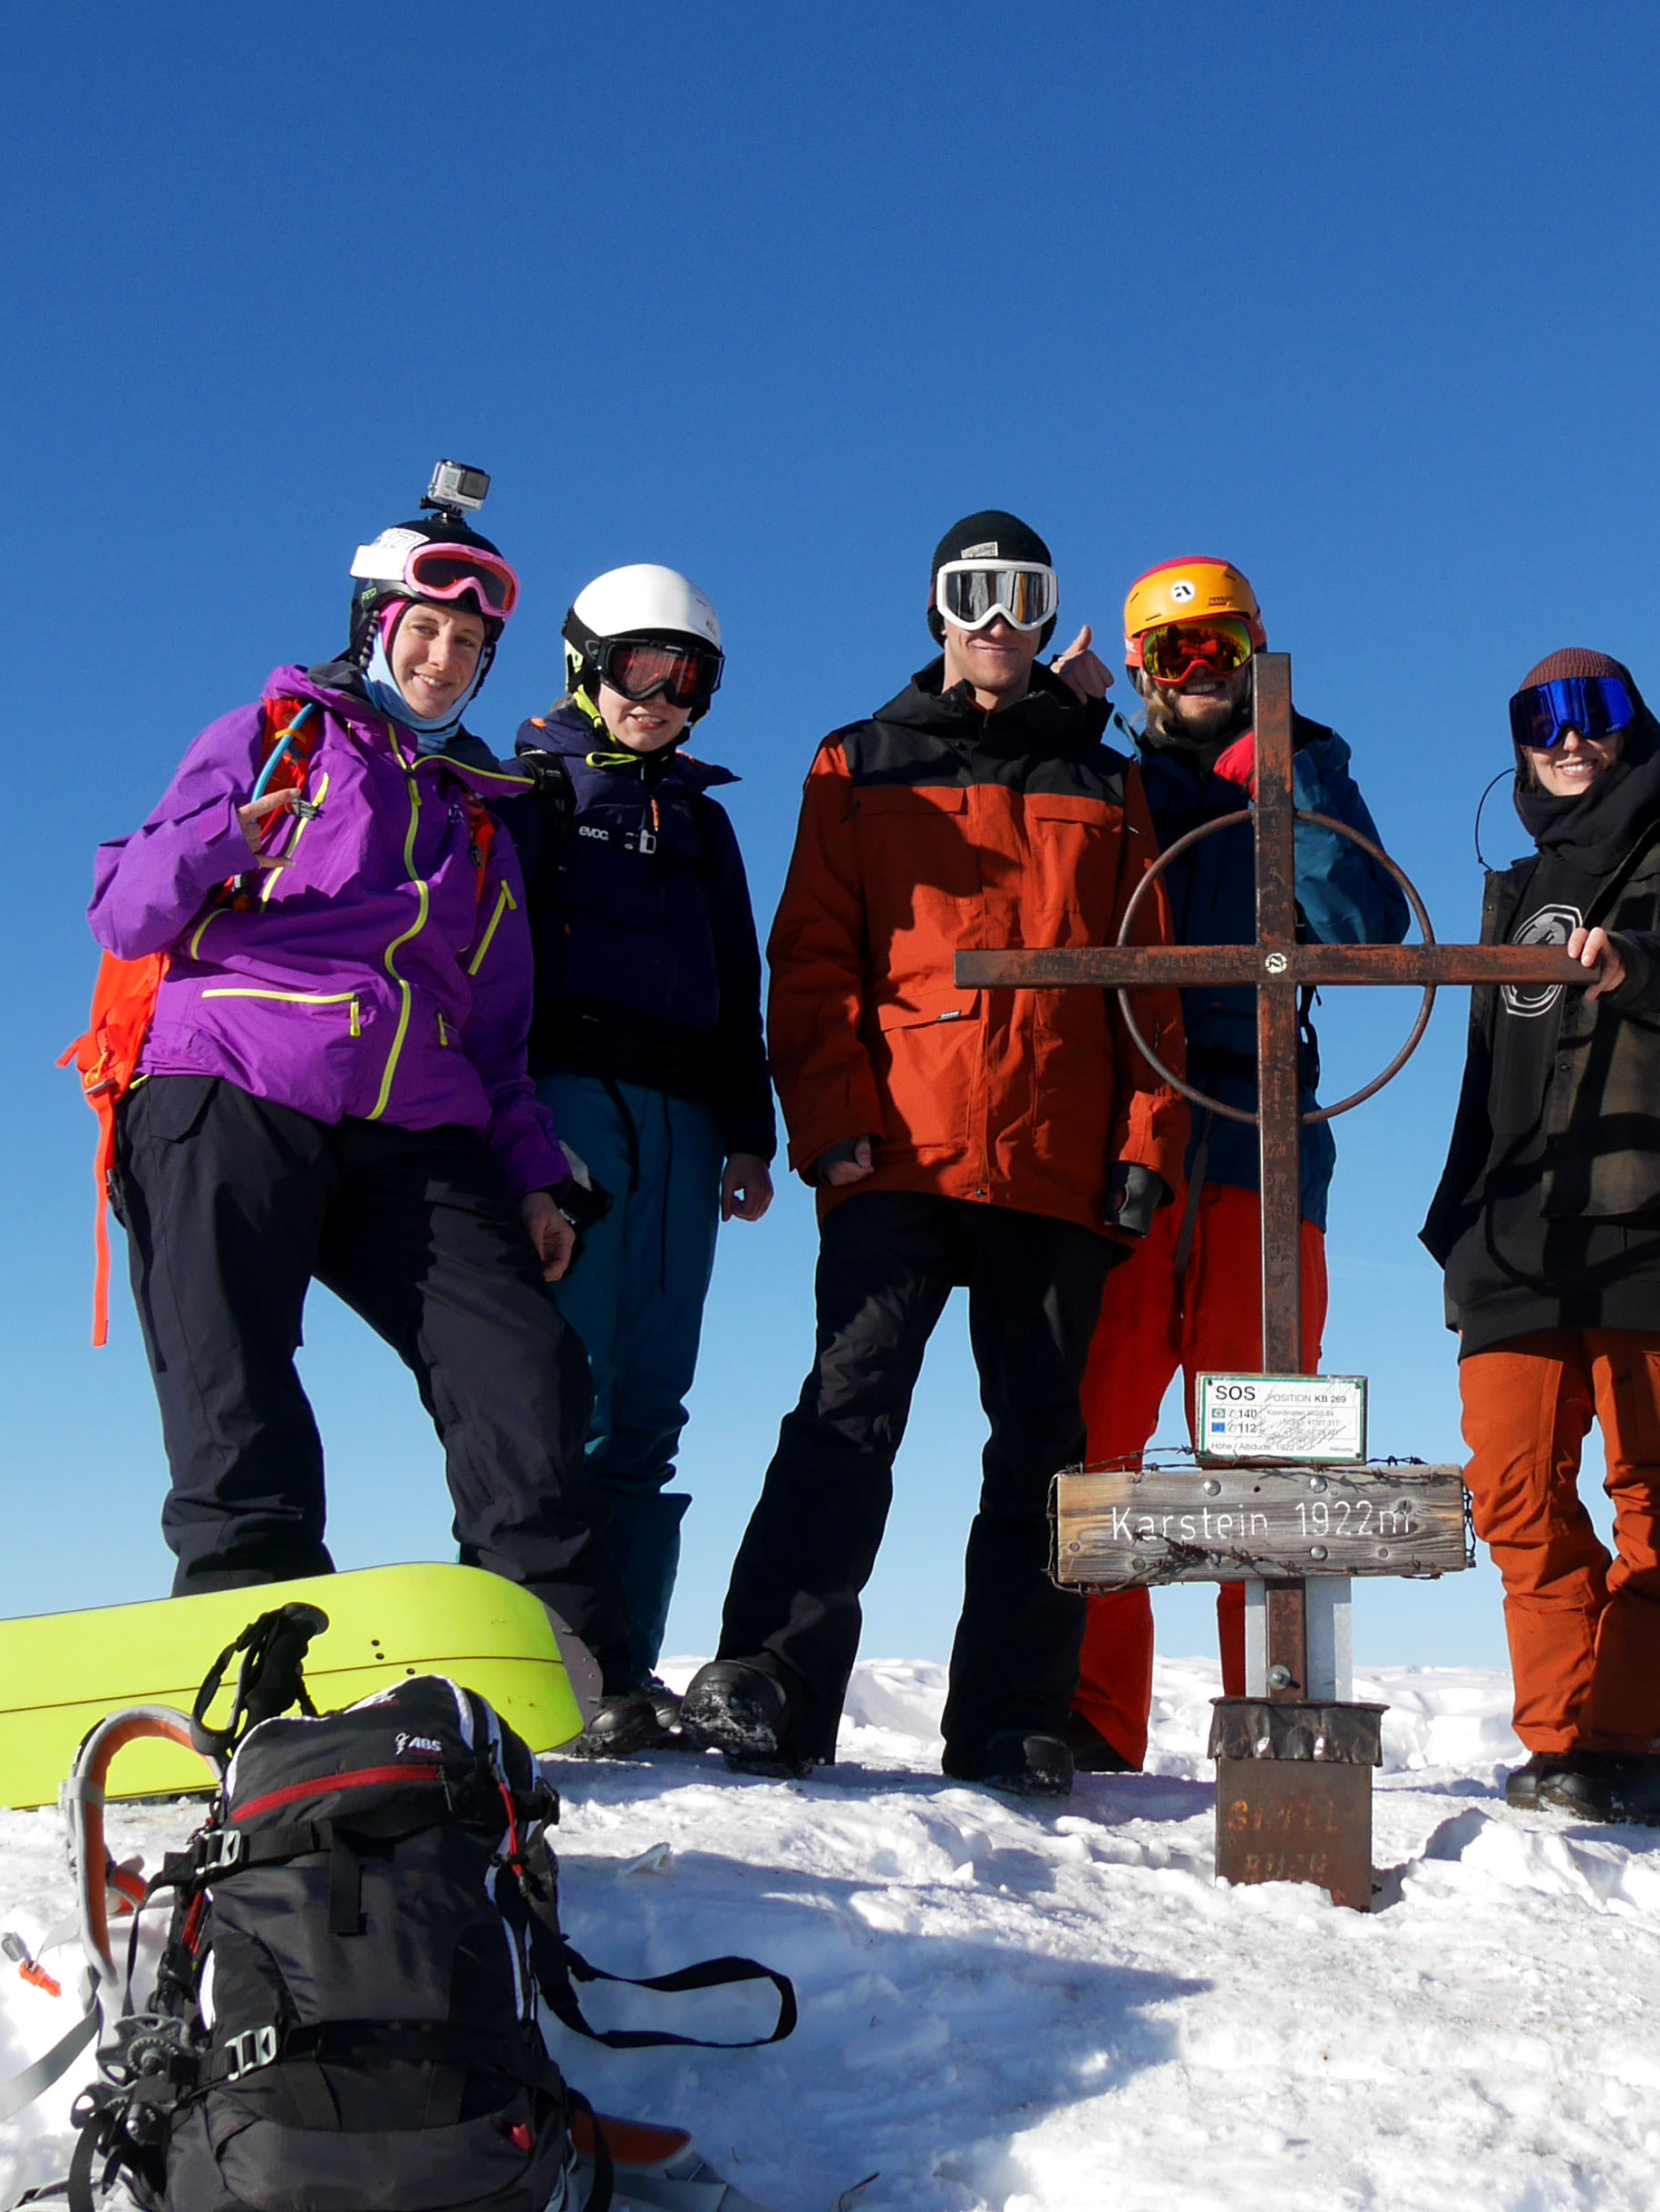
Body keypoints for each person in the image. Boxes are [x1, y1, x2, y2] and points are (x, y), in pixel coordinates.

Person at [85, 469, 622, 1715]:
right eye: (423, 631)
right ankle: (253, 1637)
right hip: (230, 1081)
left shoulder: (480, 821)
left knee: (528, 1369)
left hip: (409, 1126)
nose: (442, 659)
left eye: (469, 645)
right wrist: (230, 835)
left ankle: (544, 1656)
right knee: (234, 1372)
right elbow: (127, 909)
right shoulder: (270, 738)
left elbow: (497, 1039)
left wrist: (536, 1178)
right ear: (376, 627)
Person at [681, 512, 1190, 1791]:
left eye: (1024, 595)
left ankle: (1013, 1719)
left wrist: (1144, 1139)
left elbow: (1148, 979)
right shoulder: (862, 764)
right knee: (846, 1413)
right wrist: (834, 1124)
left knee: (1045, 1446)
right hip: (897, 1154)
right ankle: (774, 1686)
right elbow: (811, 961)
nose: (1000, 621)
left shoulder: (1103, 780)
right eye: (975, 594)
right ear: (936, 612)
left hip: (1057, 1162)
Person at [1064, 558, 1410, 1771]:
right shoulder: (1108, 782)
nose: (1194, 672)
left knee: (1267, 1440)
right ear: (1143, 673)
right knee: (1096, 1428)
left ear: (1256, 648)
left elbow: (1367, 925)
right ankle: (1091, 1722)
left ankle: (1271, 1715)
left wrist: (1285, 776)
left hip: (1266, 1145)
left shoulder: (1305, 768)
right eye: (1170, 654)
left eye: (1217, 647)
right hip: (1128, 1139)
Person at [1420, 651, 1660, 1829]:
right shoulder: (1512, 887)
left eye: (1592, 713)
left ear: (1632, 723)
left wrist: (1638, 961)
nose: (1567, 737)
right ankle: (1564, 1739)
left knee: (1659, 1486)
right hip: (1516, 1221)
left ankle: (1648, 1737)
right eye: (1538, 718)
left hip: (1657, 1200)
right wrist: (1457, 1214)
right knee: (1512, 1487)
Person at [501, 566, 781, 1758]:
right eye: (638, 668)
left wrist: (748, 1130)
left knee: (653, 1401)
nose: (662, 696)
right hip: (569, 1100)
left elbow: (736, 979)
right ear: (583, 666)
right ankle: (532, 1664)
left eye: (689, 677)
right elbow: (489, 963)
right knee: (558, 1389)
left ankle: (624, 1672)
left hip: (683, 1115)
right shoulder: (528, 798)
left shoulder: (702, 822)